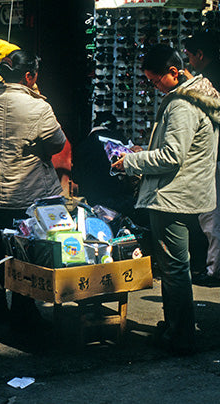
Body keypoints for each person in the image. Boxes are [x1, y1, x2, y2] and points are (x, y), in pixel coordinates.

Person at [112, 44, 220, 355]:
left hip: (172, 196)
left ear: (175, 72)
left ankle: (180, 336)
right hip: (191, 191)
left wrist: (131, 162)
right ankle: (177, 328)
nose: (155, 87)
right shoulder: (203, 95)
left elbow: (172, 156)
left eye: (157, 81)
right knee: (178, 268)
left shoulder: (182, 104)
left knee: (174, 271)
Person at [0, 45, 67, 328]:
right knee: (24, 255)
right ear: (29, 76)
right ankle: (24, 313)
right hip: (25, 194)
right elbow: (58, 142)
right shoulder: (39, 107)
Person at [184, 31, 220, 285]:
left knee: (212, 215)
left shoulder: (208, 81)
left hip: (216, 156)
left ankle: (214, 270)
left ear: (200, 55)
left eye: (189, 56)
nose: (189, 62)